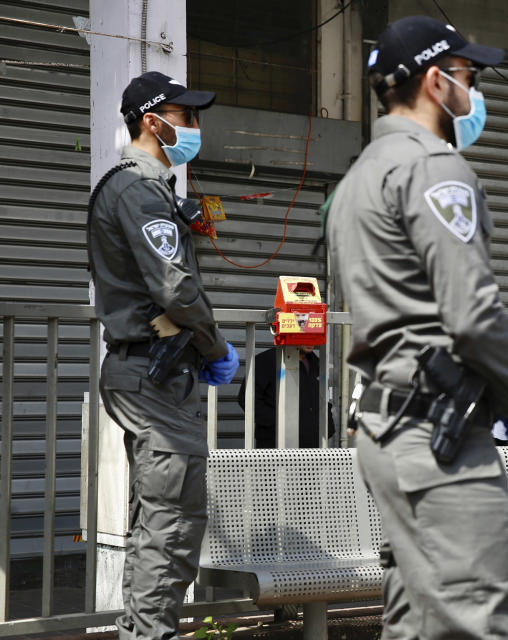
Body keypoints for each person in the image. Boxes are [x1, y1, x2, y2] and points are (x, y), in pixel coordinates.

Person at [327, 15, 508, 638]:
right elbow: (474, 316)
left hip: (387, 429)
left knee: (418, 621)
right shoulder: (435, 169)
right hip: (438, 437)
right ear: (436, 81)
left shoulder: (356, 180)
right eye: (468, 77)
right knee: (486, 620)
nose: (473, 92)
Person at [88, 71, 239, 640]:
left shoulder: (146, 189)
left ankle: (143, 632)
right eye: (186, 116)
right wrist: (216, 345)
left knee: (158, 520)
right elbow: (174, 288)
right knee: (171, 523)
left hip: (153, 370)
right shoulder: (138, 189)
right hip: (150, 373)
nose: (195, 126)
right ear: (153, 121)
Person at [237, 345, 336, 447]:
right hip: (276, 448)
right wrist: (279, 424)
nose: (310, 341)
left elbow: (323, 397)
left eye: (314, 335)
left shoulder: (316, 363)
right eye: (304, 334)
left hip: (311, 448)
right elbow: (247, 399)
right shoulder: (266, 361)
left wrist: (327, 427)